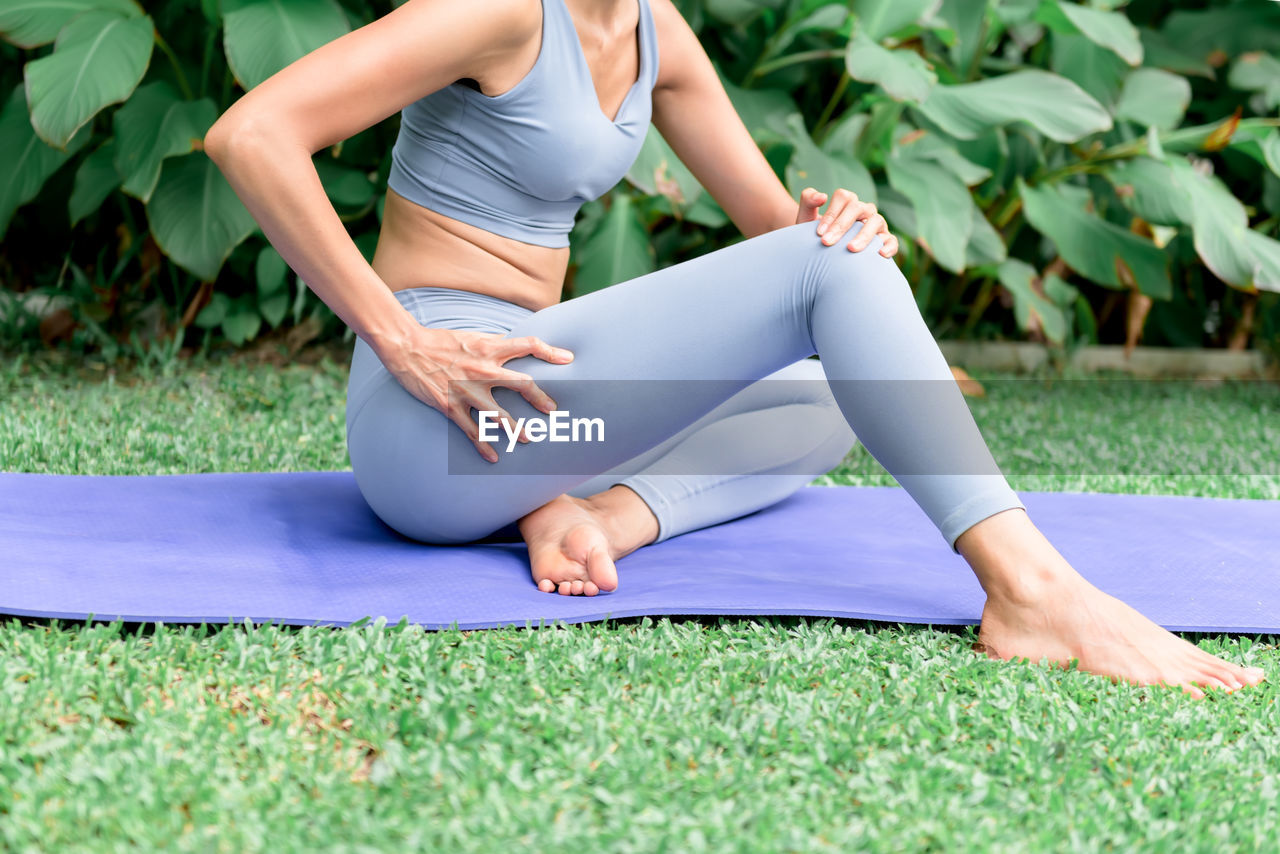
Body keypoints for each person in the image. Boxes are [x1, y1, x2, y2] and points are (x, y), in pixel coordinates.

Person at [204, 0, 1266, 699]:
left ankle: (588, 514)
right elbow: (250, 135)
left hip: (540, 426)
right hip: (432, 430)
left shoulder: (652, 28)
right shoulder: (492, 9)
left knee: (847, 389)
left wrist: (843, 225)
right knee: (831, 288)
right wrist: (401, 338)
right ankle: (1032, 590)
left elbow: (786, 238)